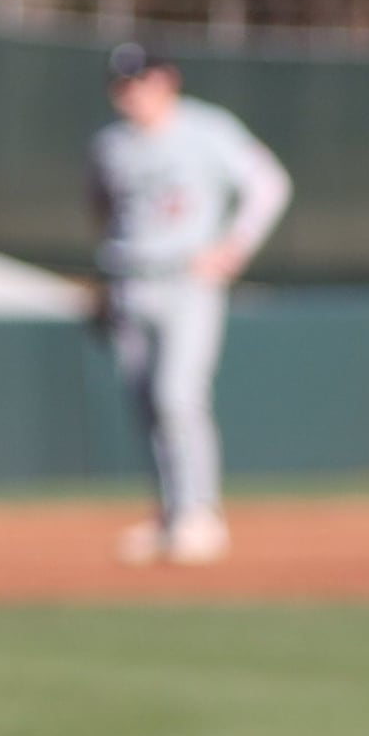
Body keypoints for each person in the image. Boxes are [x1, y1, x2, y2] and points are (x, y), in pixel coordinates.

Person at [85, 43, 294, 568]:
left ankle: (200, 514)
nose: (134, 92)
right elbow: (102, 209)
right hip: (131, 281)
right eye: (125, 83)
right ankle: (170, 513)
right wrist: (105, 279)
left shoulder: (206, 129)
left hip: (187, 281)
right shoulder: (110, 145)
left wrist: (233, 246)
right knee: (146, 407)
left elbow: (269, 183)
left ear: (168, 81)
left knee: (178, 396)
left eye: (144, 80)